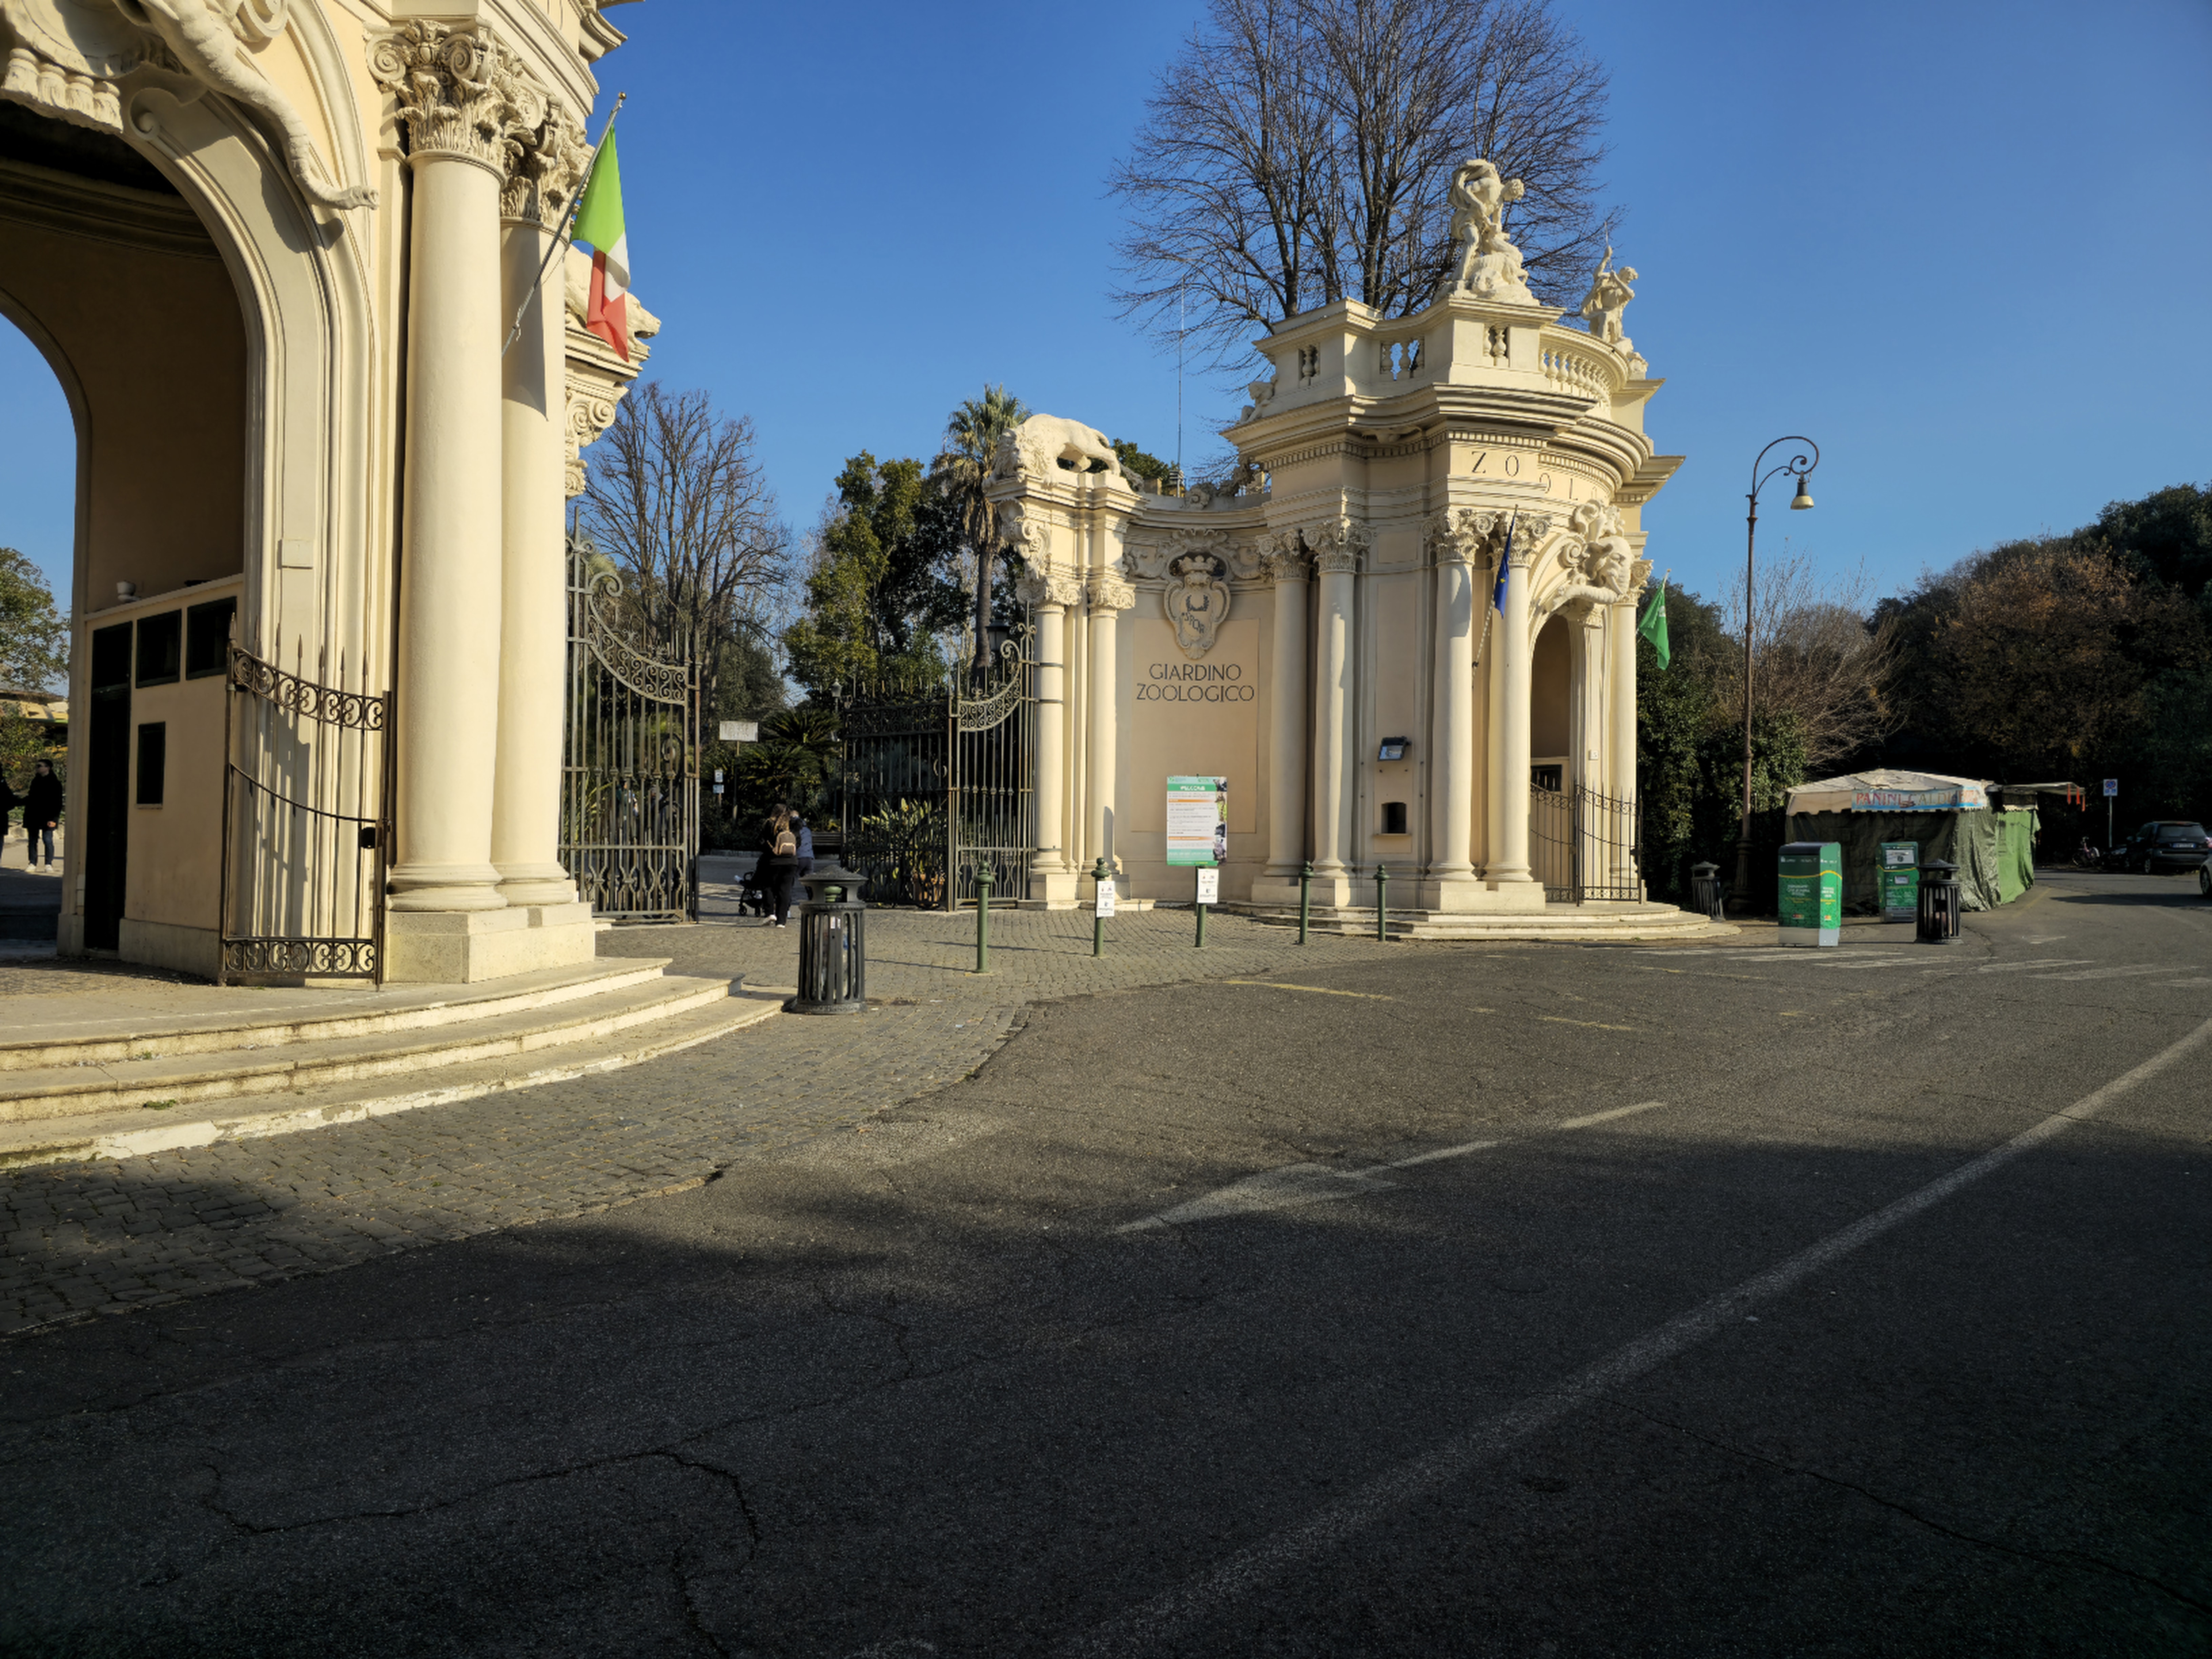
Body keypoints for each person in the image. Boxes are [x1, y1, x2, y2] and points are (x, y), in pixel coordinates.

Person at [758, 803, 800, 929]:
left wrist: (770, 851)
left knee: (768, 886)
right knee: (785, 890)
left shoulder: (769, 824)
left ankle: (770, 913)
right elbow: (799, 842)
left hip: (773, 861)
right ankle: (782, 921)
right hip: (791, 862)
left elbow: (761, 841)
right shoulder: (794, 826)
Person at [23, 758, 62, 871]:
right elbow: (31, 798)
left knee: (48, 840)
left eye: (40, 766)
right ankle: (32, 863)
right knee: (32, 840)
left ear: (48, 768)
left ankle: (49, 864)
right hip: (33, 816)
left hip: (48, 816)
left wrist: (54, 819)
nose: (38, 768)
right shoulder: (35, 781)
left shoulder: (55, 783)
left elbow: (58, 803)